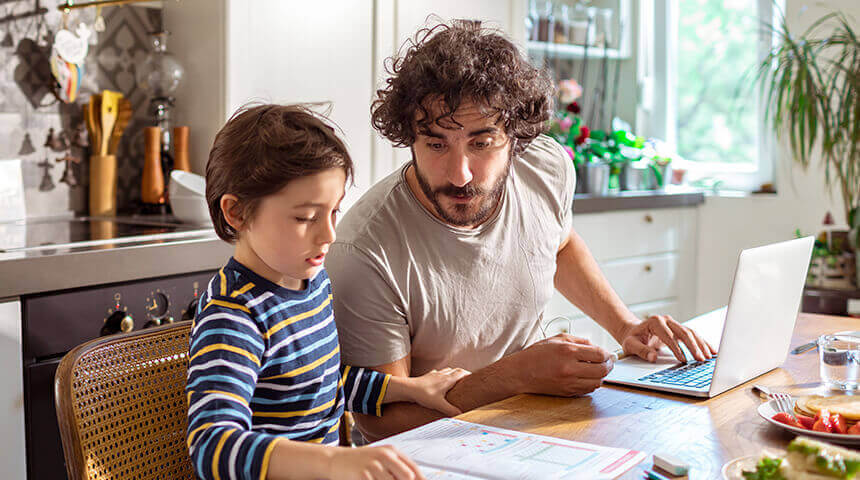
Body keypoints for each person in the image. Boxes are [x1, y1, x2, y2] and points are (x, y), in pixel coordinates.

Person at [326, 21, 716, 443]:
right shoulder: (364, 250)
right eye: (437, 144)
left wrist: (625, 326)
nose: (460, 175)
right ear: (409, 138)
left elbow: (560, 243)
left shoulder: (545, 166)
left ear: (516, 136)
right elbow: (381, 422)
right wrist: (517, 376)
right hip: (432, 451)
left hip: (534, 422)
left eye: (482, 142)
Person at [186, 103, 468, 480]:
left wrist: (409, 389)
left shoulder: (312, 283)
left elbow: (322, 384)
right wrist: (334, 462)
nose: (329, 235)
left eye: (334, 212)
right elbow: (212, 447)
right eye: (305, 218)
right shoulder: (235, 316)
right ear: (236, 213)